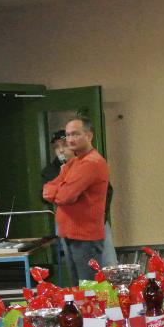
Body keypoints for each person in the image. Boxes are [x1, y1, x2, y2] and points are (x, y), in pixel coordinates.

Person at [42, 116, 109, 284]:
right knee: (78, 287)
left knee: (89, 287)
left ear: (89, 135)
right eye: (68, 135)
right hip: (70, 234)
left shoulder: (91, 162)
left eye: (75, 134)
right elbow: (47, 190)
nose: (70, 139)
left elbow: (65, 196)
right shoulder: (74, 163)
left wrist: (58, 191)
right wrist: (59, 190)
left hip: (85, 237)